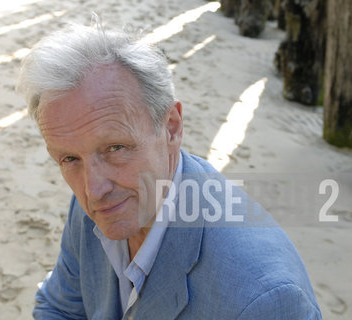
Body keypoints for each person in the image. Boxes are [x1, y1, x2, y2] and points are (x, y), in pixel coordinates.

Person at [16, 22, 322, 319]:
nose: (93, 191)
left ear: (171, 129)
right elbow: (58, 308)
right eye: (69, 159)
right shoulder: (97, 200)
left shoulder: (266, 301)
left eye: (116, 148)